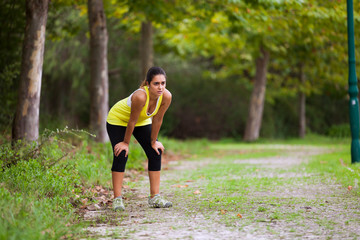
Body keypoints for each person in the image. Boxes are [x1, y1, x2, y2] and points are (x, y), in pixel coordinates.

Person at [106, 66, 172, 211]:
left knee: (155, 151)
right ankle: (117, 199)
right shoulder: (140, 96)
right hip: (118, 119)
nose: (160, 87)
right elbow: (132, 121)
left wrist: (154, 142)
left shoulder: (166, 97)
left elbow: (158, 119)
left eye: (163, 83)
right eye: (156, 83)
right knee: (121, 153)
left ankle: (155, 197)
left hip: (142, 121)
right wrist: (125, 143)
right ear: (148, 84)